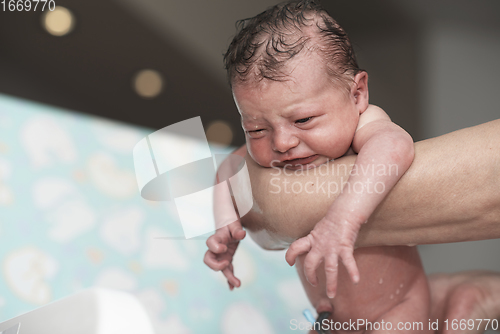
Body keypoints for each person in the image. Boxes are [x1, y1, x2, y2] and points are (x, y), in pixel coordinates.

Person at [207, 1, 432, 332]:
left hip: (397, 308)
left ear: (356, 95)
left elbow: (394, 147)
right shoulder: (279, 144)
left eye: (303, 119)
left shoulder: (364, 125)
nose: (281, 142)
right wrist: (225, 222)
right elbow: (229, 168)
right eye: (256, 129)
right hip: (331, 318)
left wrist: (342, 219)